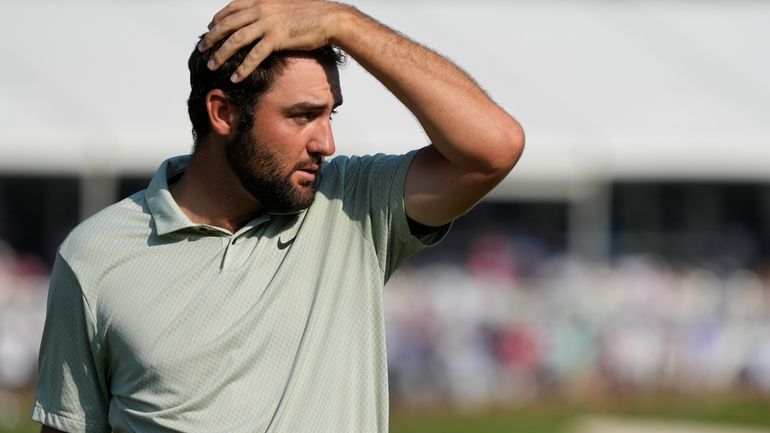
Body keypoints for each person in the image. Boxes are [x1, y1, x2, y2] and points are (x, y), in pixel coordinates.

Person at [33, 1, 524, 432]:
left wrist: (341, 21)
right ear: (222, 113)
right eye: (301, 116)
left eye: (331, 114)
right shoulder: (96, 256)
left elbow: (493, 147)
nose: (326, 143)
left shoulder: (355, 205)